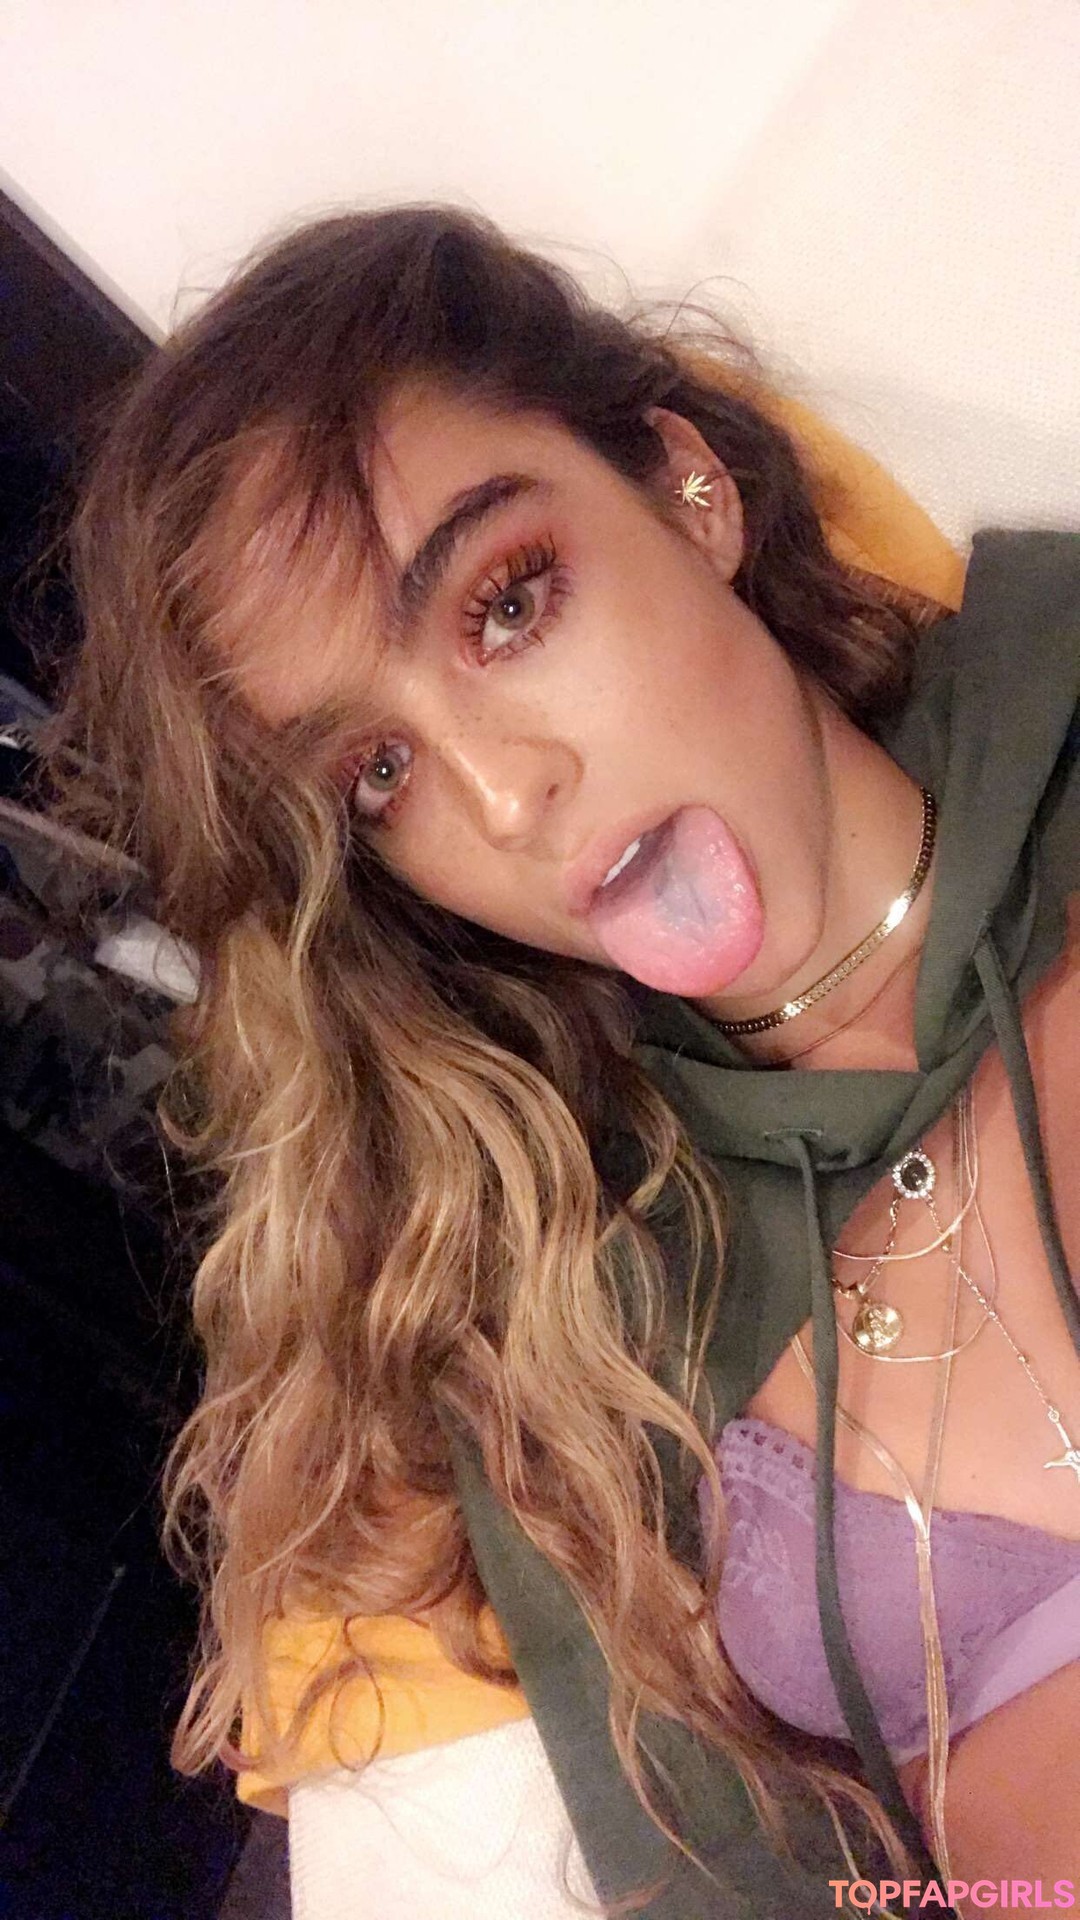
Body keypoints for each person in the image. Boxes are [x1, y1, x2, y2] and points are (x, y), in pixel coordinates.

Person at [44, 205, 1080, 1918]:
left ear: (690, 491)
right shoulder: (572, 1322)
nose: (505, 793)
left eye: (507, 603)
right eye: (377, 773)